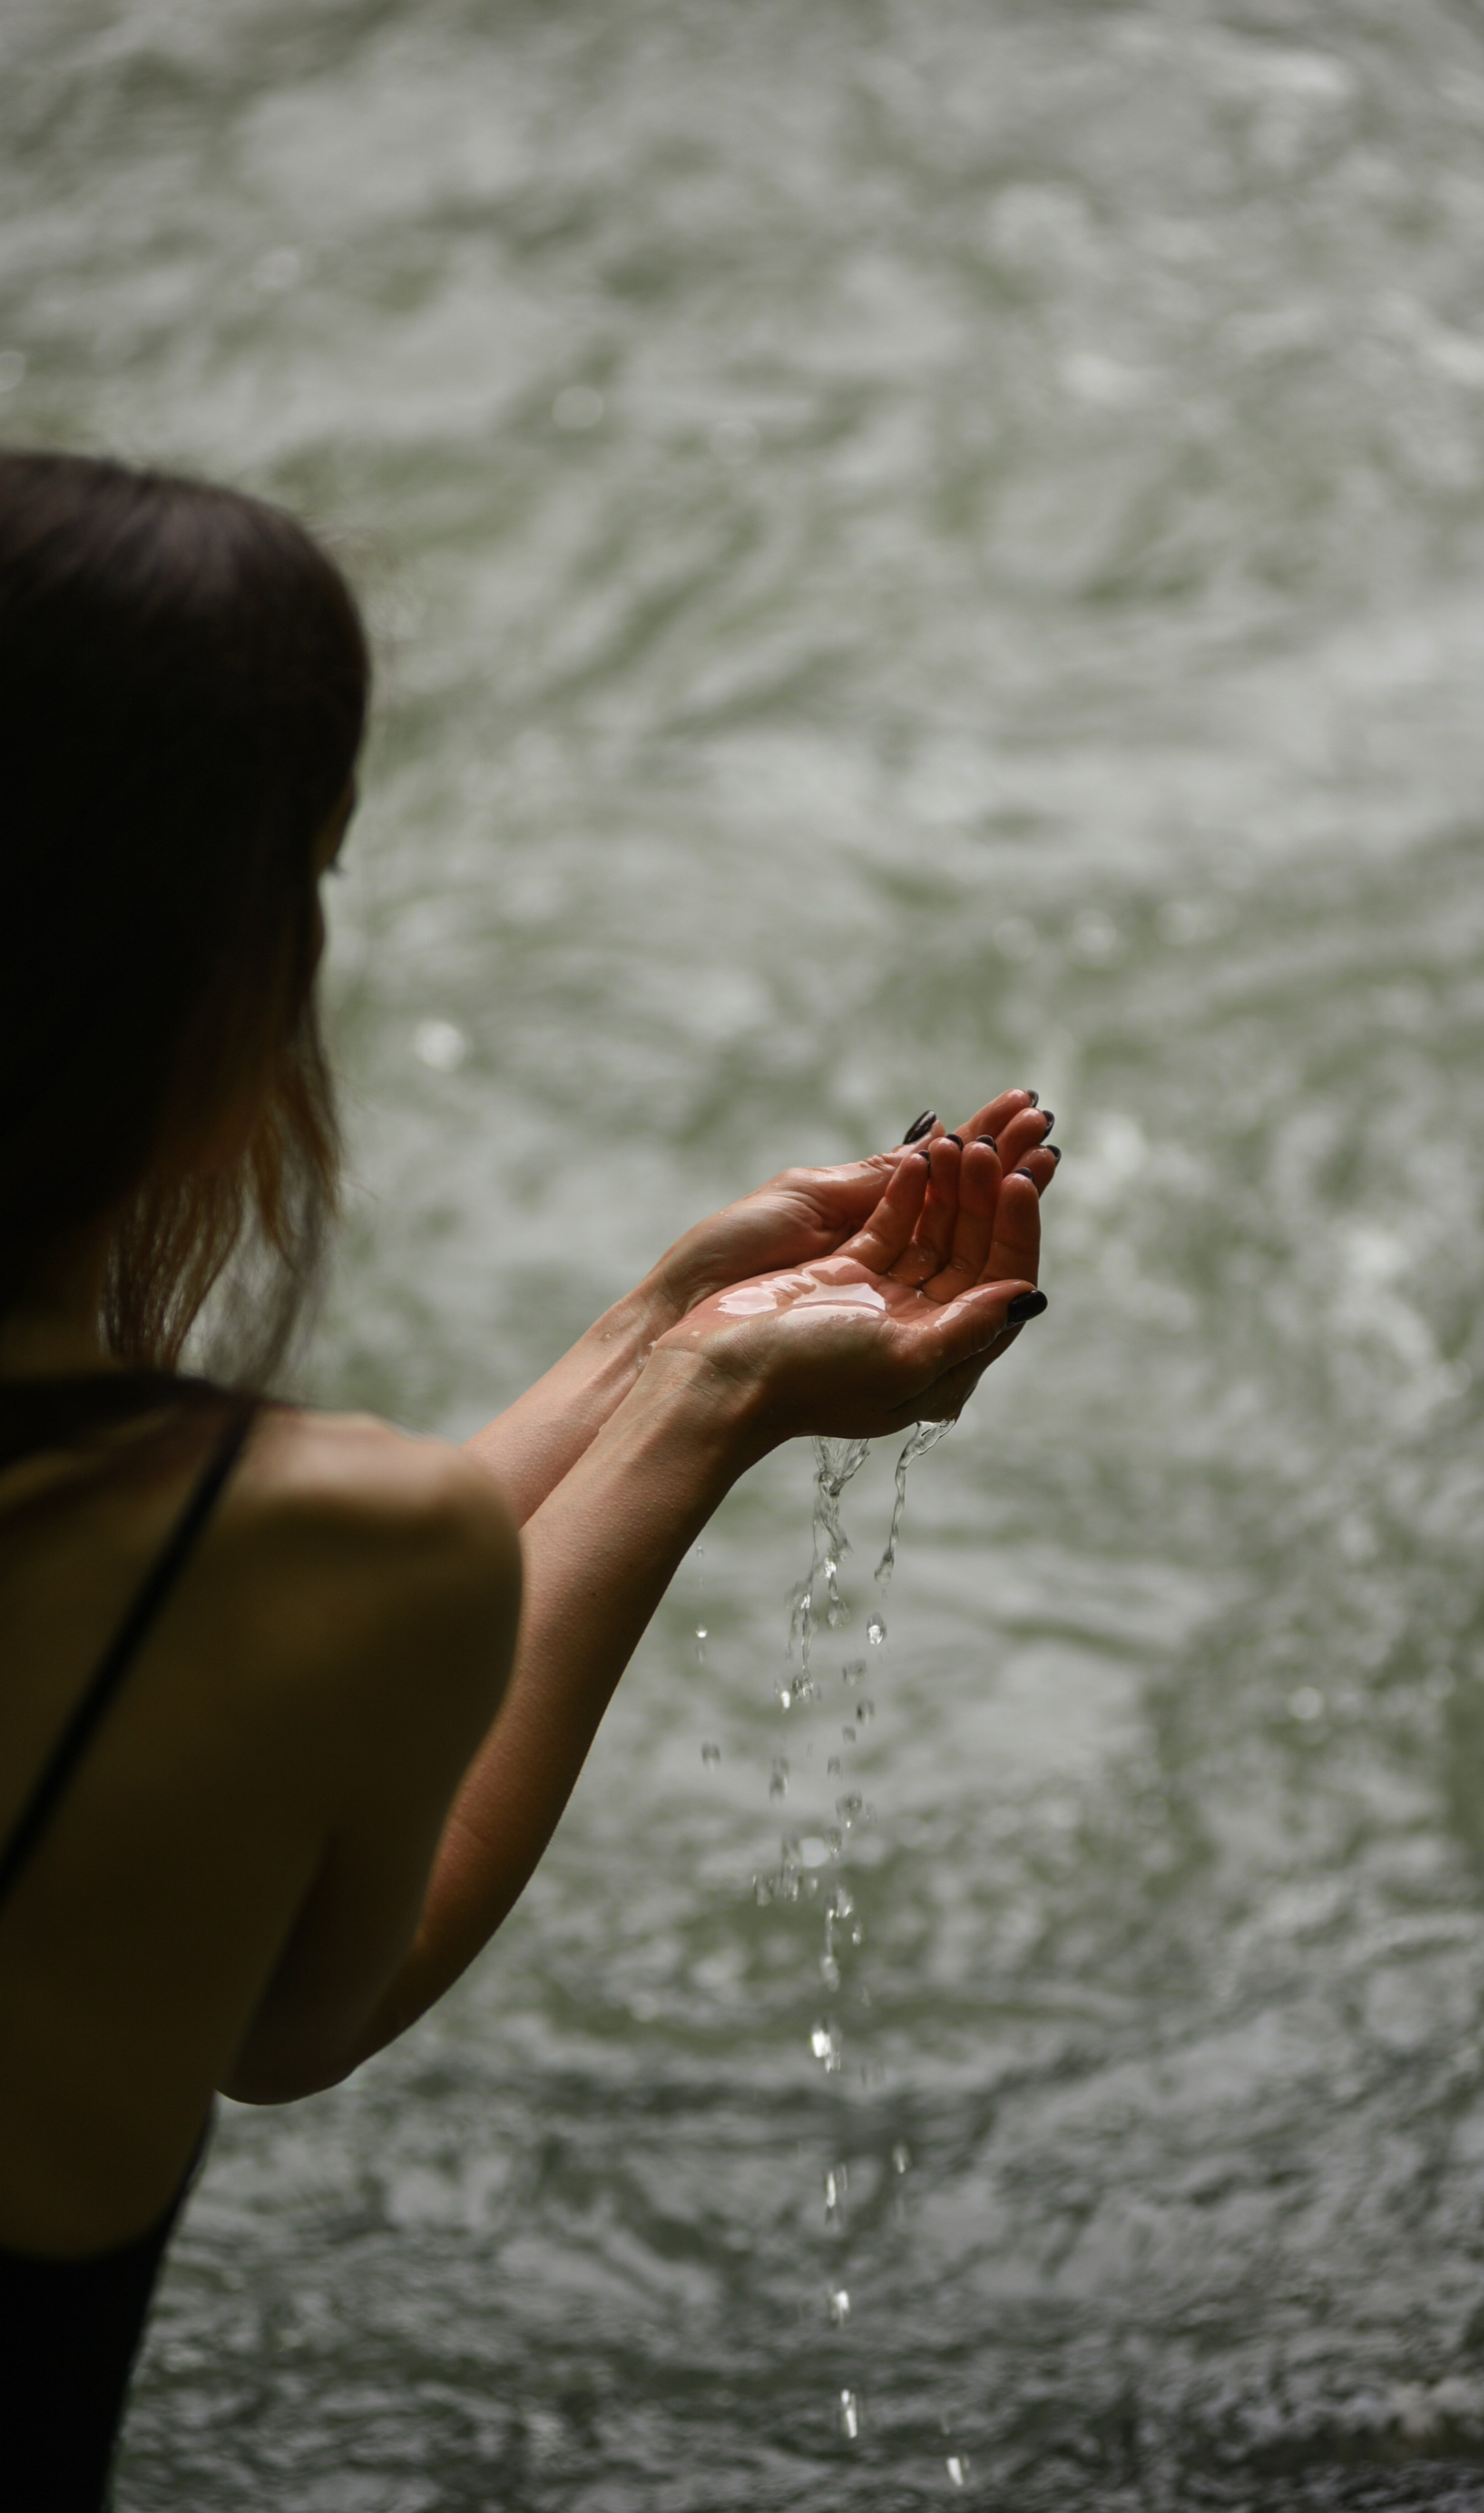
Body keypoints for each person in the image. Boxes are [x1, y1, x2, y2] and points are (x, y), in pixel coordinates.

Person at [0, 449, 1056, 2507]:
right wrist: (706, 1400)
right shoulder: (283, 1552)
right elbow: (306, 1999)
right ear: (209, 976)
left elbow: (231, 1652)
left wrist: (658, 1320)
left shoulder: (241, 1559)